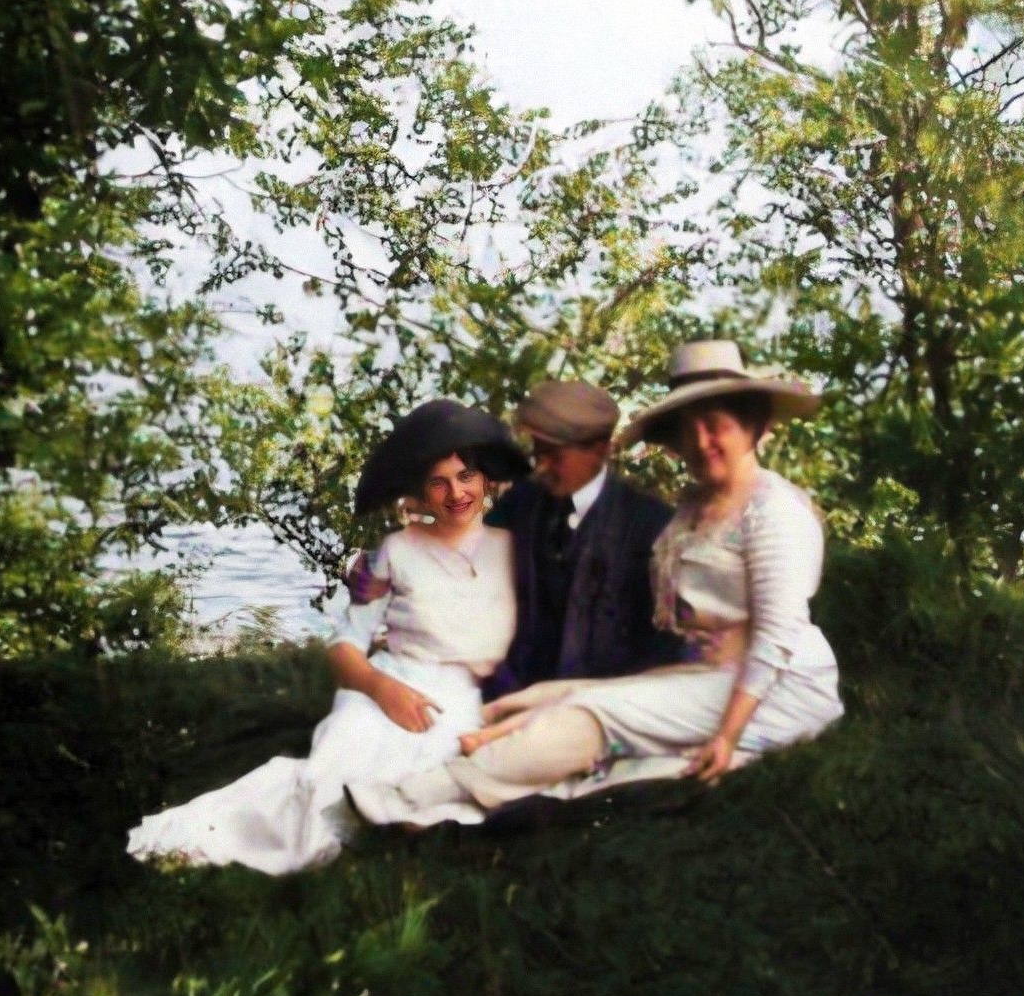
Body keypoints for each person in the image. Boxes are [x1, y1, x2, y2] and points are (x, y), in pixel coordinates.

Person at [346, 342, 843, 829]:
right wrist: (388, 558)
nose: (702, 444)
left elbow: (777, 637)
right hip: (710, 677)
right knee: (541, 699)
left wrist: (728, 734)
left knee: (591, 710)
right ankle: (507, 781)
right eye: (688, 432)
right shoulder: (691, 509)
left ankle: (423, 795)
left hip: (776, 688)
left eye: (717, 427)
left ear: (753, 425)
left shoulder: (772, 511)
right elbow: (465, 547)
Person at [126, 396, 527, 875]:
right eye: (438, 482)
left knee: (439, 780)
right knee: (335, 776)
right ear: (420, 492)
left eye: (465, 477)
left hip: (470, 698)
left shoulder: (516, 552)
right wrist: (384, 690)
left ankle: (402, 829)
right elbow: (345, 646)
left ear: (485, 480)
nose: (455, 493)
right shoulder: (397, 551)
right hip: (394, 684)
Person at [484, 378, 680, 696]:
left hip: (603, 710)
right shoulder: (520, 503)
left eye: (555, 454)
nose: (541, 465)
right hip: (511, 694)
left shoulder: (651, 524)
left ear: (599, 450)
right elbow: (473, 565)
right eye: (537, 451)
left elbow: (666, 644)